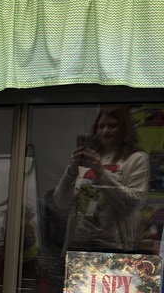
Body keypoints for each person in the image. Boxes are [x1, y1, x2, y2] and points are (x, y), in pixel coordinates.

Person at [53, 106, 149, 254]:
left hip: (114, 248)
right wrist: (71, 170)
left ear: (124, 129)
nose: (105, 131)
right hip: (78, 246)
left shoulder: (136, 159)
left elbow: (129, 205)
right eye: (101, 126)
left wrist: (100, 172)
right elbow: (60, 202)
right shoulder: (88, 158)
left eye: (112, 126)